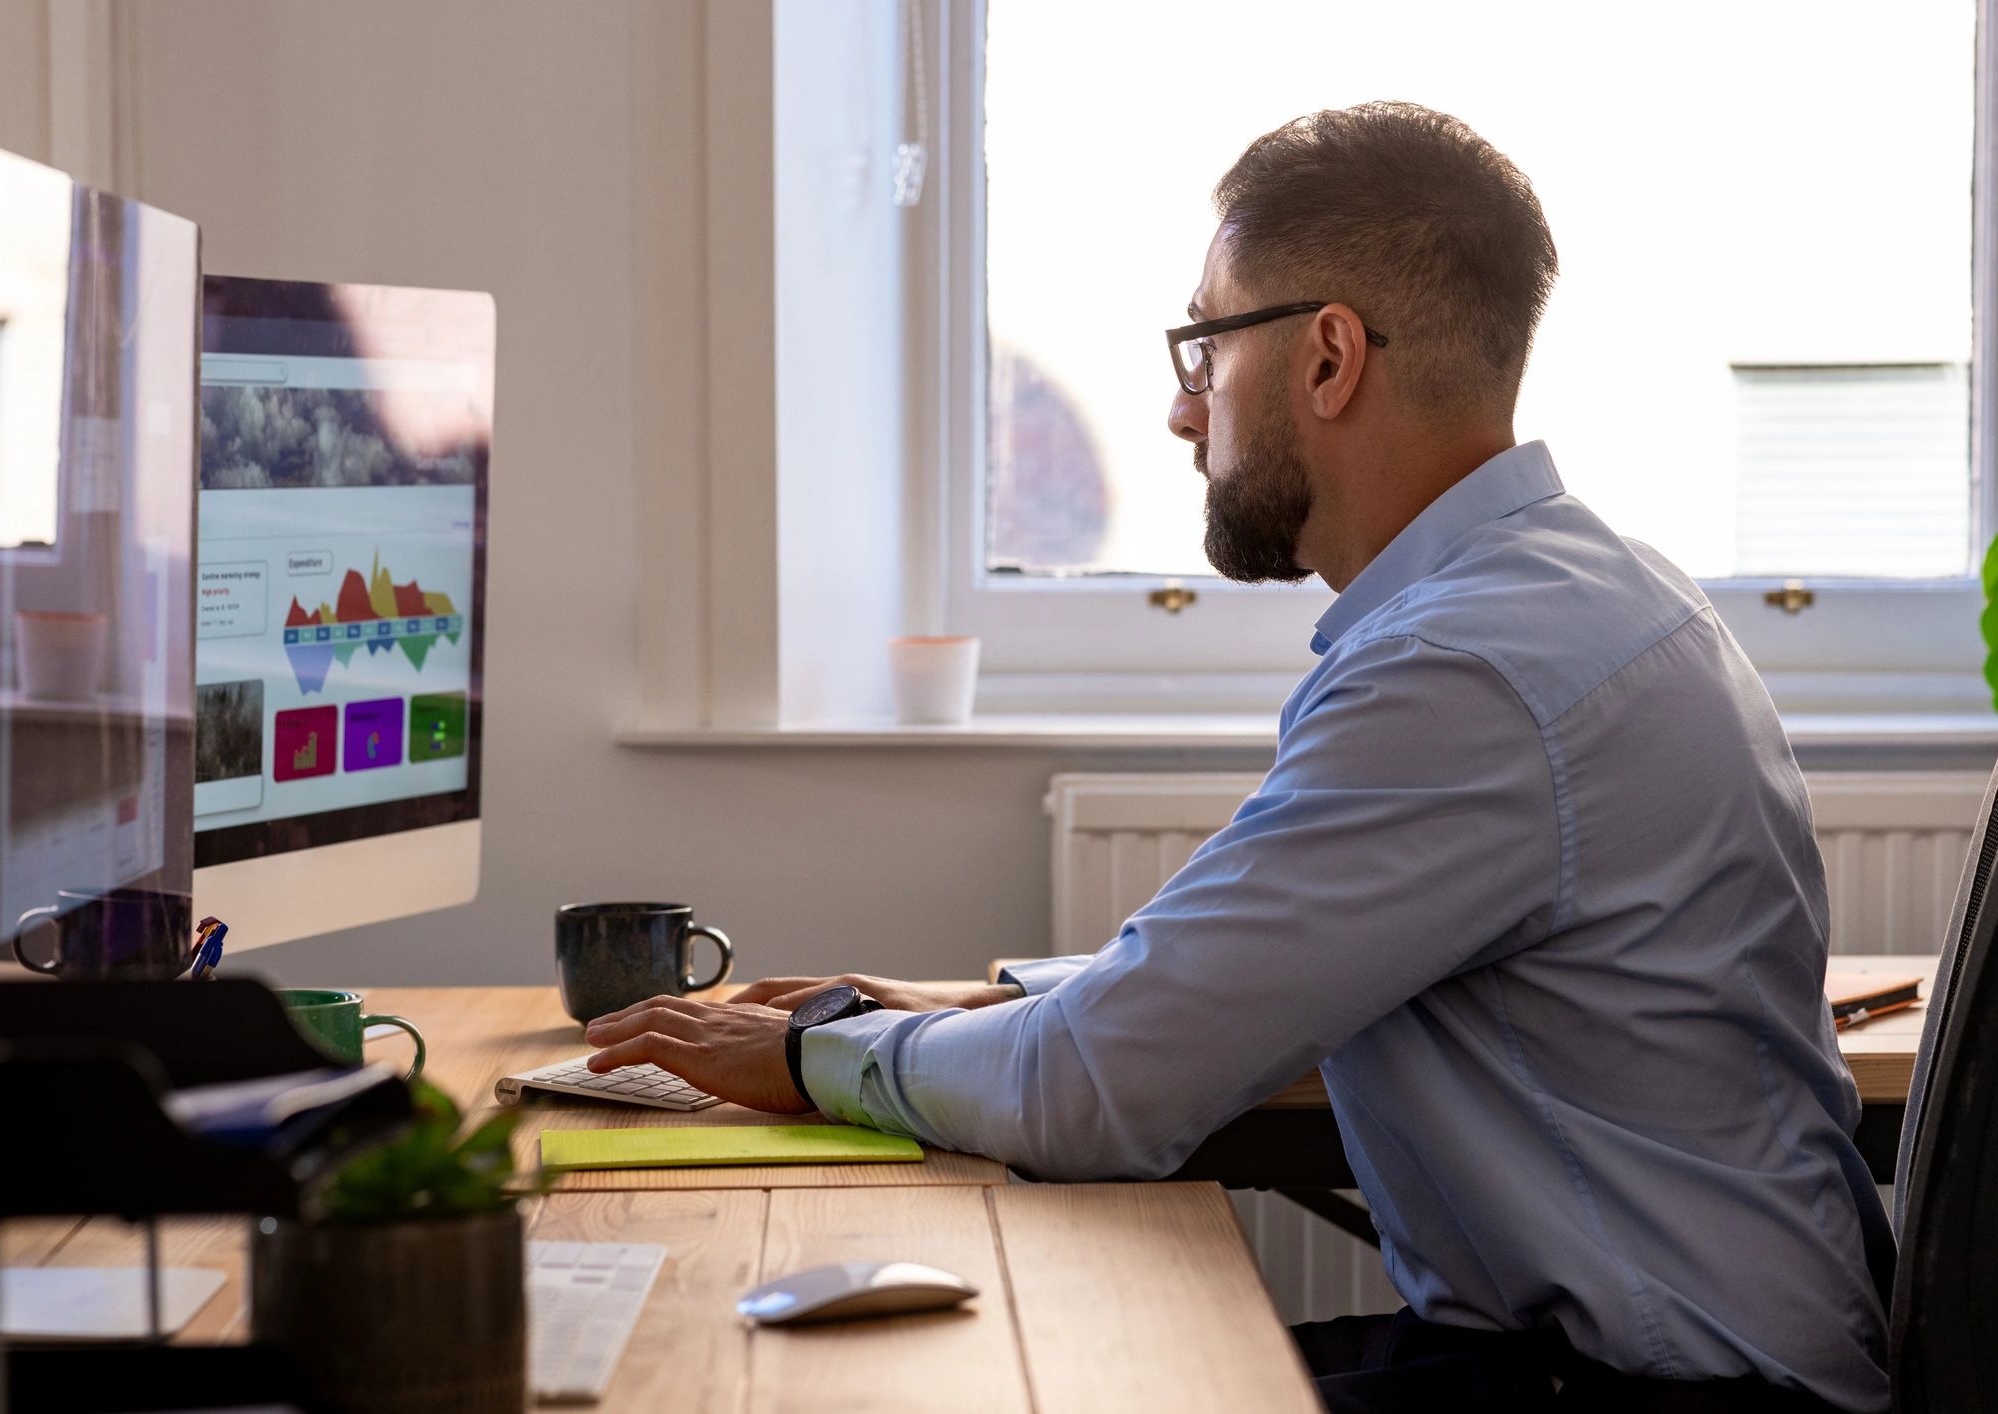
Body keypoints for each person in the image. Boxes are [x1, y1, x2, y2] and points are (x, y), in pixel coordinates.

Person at [584, 102, 1891, 1414]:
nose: (1176, 406)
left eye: (1204, 345)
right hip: (1670, 1352)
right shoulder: (1569, 595)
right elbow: (1262, 972)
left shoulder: (1466, 673)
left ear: (1327, 359)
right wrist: (985, 1013)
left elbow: (1095, 1092)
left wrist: (821, 1057)